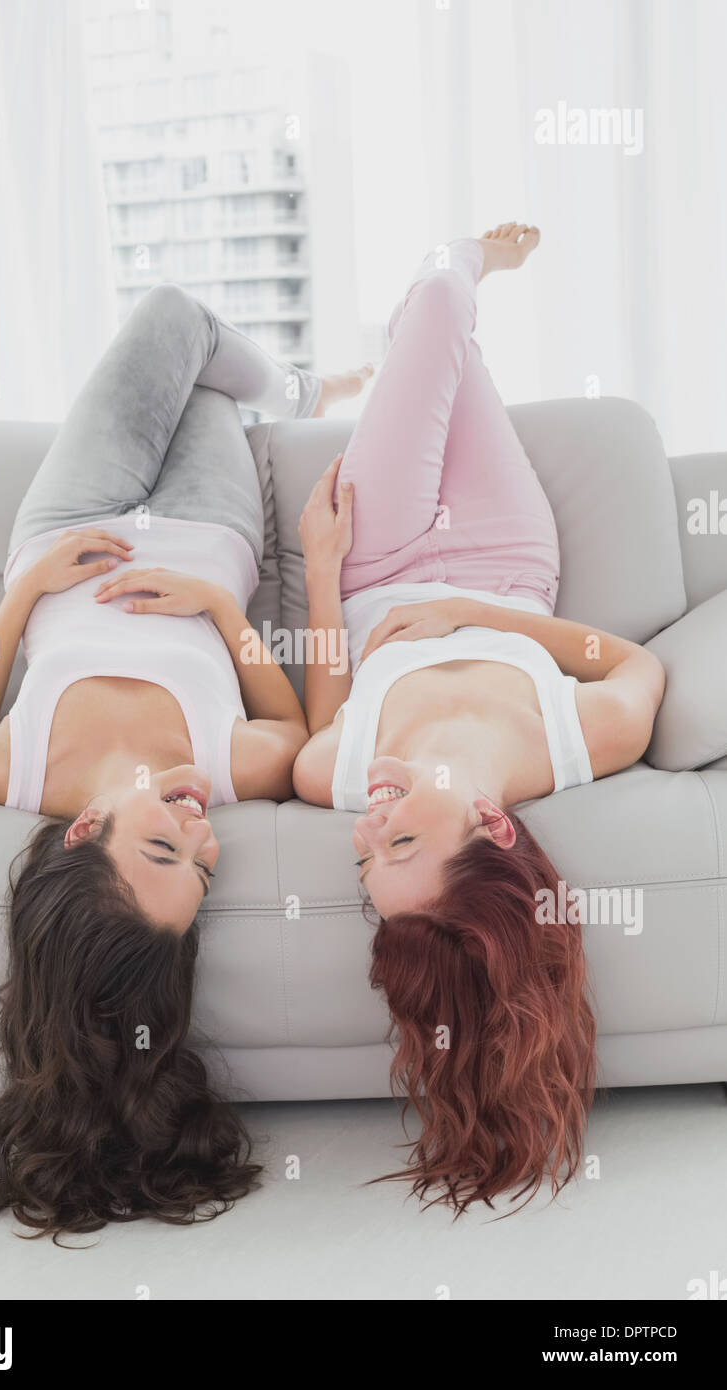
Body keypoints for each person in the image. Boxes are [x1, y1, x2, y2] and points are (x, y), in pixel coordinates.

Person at [0, 283, 370, 1234]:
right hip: (210, 539)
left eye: (166, 851)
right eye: (205, 870)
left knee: (174, 322)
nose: (203, 838)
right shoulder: (226, 769)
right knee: (210, 390)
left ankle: (298, 392)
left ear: (87, 829)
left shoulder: (19, 772)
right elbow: (297, 731)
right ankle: (287, 391)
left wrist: (25, 600)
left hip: (64, 528)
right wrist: (219, 609)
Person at [293, 224, 666, 1214]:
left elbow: (324, 709)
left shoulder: (331, 774)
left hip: (372, 561)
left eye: (366, 853)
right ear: (493, 826)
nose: (367, 819)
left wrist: (320, 572)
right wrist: (480, 614)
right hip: (506, 556)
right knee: (448, 333)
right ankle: (456, 267)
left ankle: (449, 269)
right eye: (402, 833)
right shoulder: (574, 742)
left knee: (439, 316)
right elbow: (633, 664)